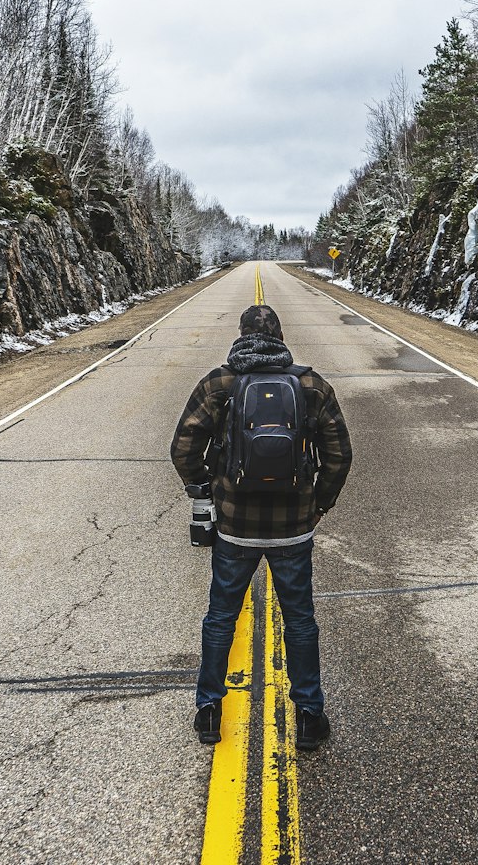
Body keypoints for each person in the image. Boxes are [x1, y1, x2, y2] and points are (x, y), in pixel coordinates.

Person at [170, 303, 352, 750]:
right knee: (300, 621)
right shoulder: (311, 385)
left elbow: (183, 447)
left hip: (234, 527)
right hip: (294, 527)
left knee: (221, 619)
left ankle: (209, 711)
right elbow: (339, 455)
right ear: (280, 336)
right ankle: (309, 716)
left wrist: (204, 492)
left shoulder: (219, 383)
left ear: (241, 334)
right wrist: (319, 504)